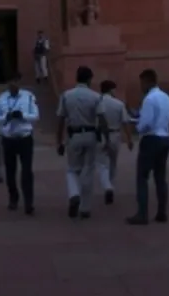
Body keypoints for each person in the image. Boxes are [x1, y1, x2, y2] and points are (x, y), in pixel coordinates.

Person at [127, 67, 169, 226]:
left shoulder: (149, 99)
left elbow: (145, 123)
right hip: (165, 138)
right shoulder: (166, 97)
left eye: (141, 82)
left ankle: (142, 213)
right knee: (160, 177)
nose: (140, 86)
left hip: (150, 139)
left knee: (142, 177)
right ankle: (162, 211)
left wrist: (136, 126)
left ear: (147, 81)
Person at [55, 65, 102, 219]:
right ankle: (85, 208)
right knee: (88, 170)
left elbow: (61, 119)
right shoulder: (95, 96)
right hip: (90, 133)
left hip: (74, 135)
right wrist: (102, 136)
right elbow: (101, 118)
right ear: (89, 79)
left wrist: (59, 141)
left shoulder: (67, 95)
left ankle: (74, 193)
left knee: (72, 170)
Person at [0, 74, 39, 215]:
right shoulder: (1, 98)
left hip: (24, 137)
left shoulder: (28, 96)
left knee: (26, 171)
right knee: (10, 171)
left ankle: (28, 202)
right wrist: (6, 117)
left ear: (20, 82)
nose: (14, 84)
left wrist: (22, 116)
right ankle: (13, 197)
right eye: (11, 81)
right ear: (7, 83)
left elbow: (36, 115)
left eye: (16, 81)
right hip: (8, 138)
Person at [95, 79, 131, 205]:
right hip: (116, 134)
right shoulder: (118, 104)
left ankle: (107, 186)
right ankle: (110, 184)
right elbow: (125, 122)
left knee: (102, 164)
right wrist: (129, 139)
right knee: (113, 163)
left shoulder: (97, 103)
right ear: (111, 90)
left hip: (101, 135)